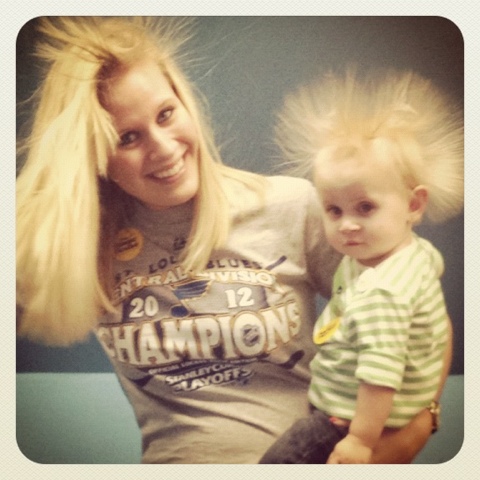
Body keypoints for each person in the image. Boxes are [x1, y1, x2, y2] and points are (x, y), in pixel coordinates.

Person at [16, 17, 450, 464]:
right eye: (128, 137)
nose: (163, 147)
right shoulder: (75, 248)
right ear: (94, 155)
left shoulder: (292, 206)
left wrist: (417, 427)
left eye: (166, 114)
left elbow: (415, 311)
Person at [259, 69, 463, 464]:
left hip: (348, 418)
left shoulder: (382, 292)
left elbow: (379, 378)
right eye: (333, 210)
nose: (347, 225)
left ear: (414, 205)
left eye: (365, 207)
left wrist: (360, 441)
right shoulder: (409, 253)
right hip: (361, 402)